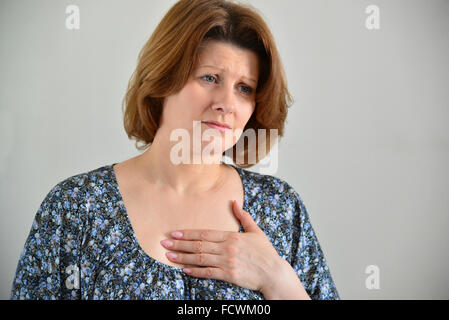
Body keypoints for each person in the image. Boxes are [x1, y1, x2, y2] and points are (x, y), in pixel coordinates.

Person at [10, 0, 340, 300]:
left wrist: (277, 280)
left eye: (245, 88)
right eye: (210, 78)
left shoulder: (280, 209)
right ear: (163, 79)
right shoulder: (77, 208)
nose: (226, 103)